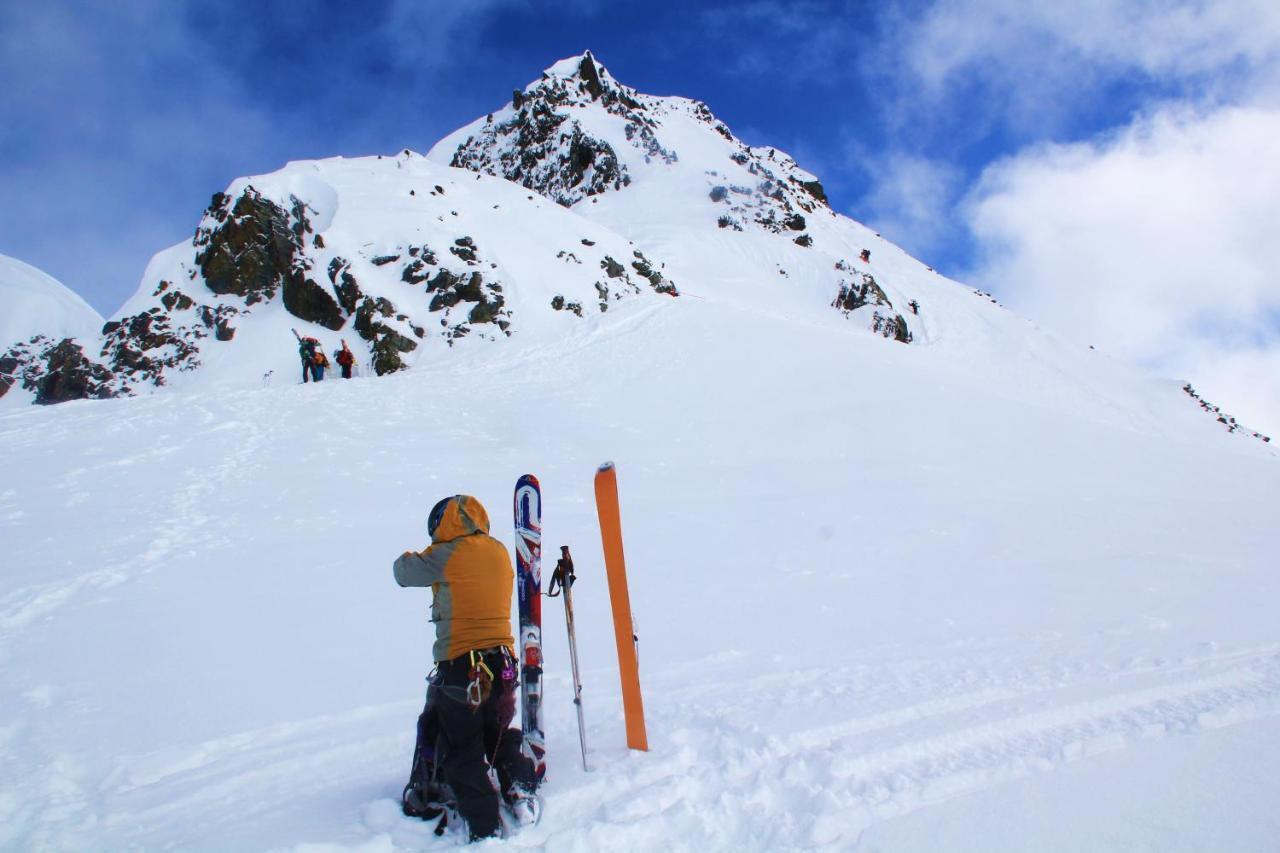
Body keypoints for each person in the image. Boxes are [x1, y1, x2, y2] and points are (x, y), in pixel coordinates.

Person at [395, 495, 539, 841]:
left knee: (463, 750)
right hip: (502, 666)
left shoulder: (449, 554)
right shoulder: (499, 550)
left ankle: (485, 827)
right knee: (497, 735)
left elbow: (403, 572)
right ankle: (520, 790)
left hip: (464, 669)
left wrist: (430, 551)